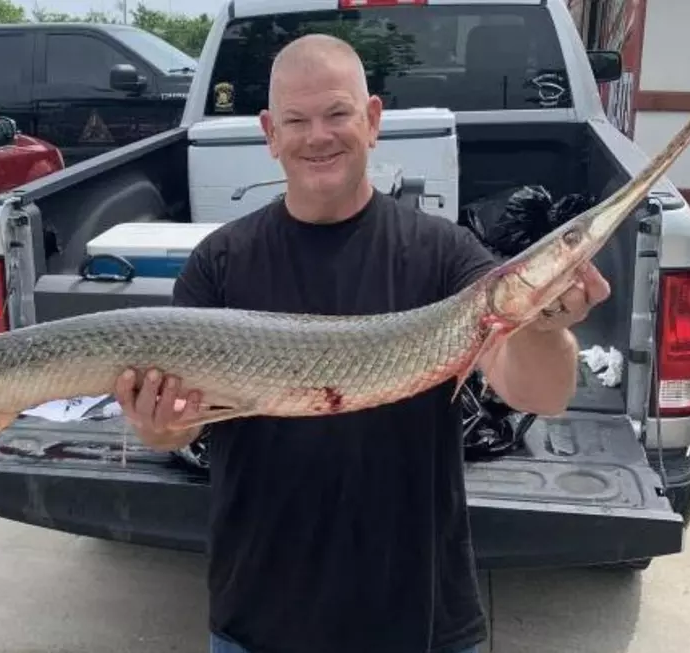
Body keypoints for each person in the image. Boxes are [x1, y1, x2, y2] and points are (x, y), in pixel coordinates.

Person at [113, 34, 610, 653]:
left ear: (372, 120)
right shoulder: (220, 262)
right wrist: (161, 427)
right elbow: (180, 426)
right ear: (270, 133)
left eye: (337, 113)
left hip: (423, 620)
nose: (318, 135)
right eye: (296, 120)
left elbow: (544, 391)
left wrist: (542, 324)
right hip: (258, 620)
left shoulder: (446, 254)